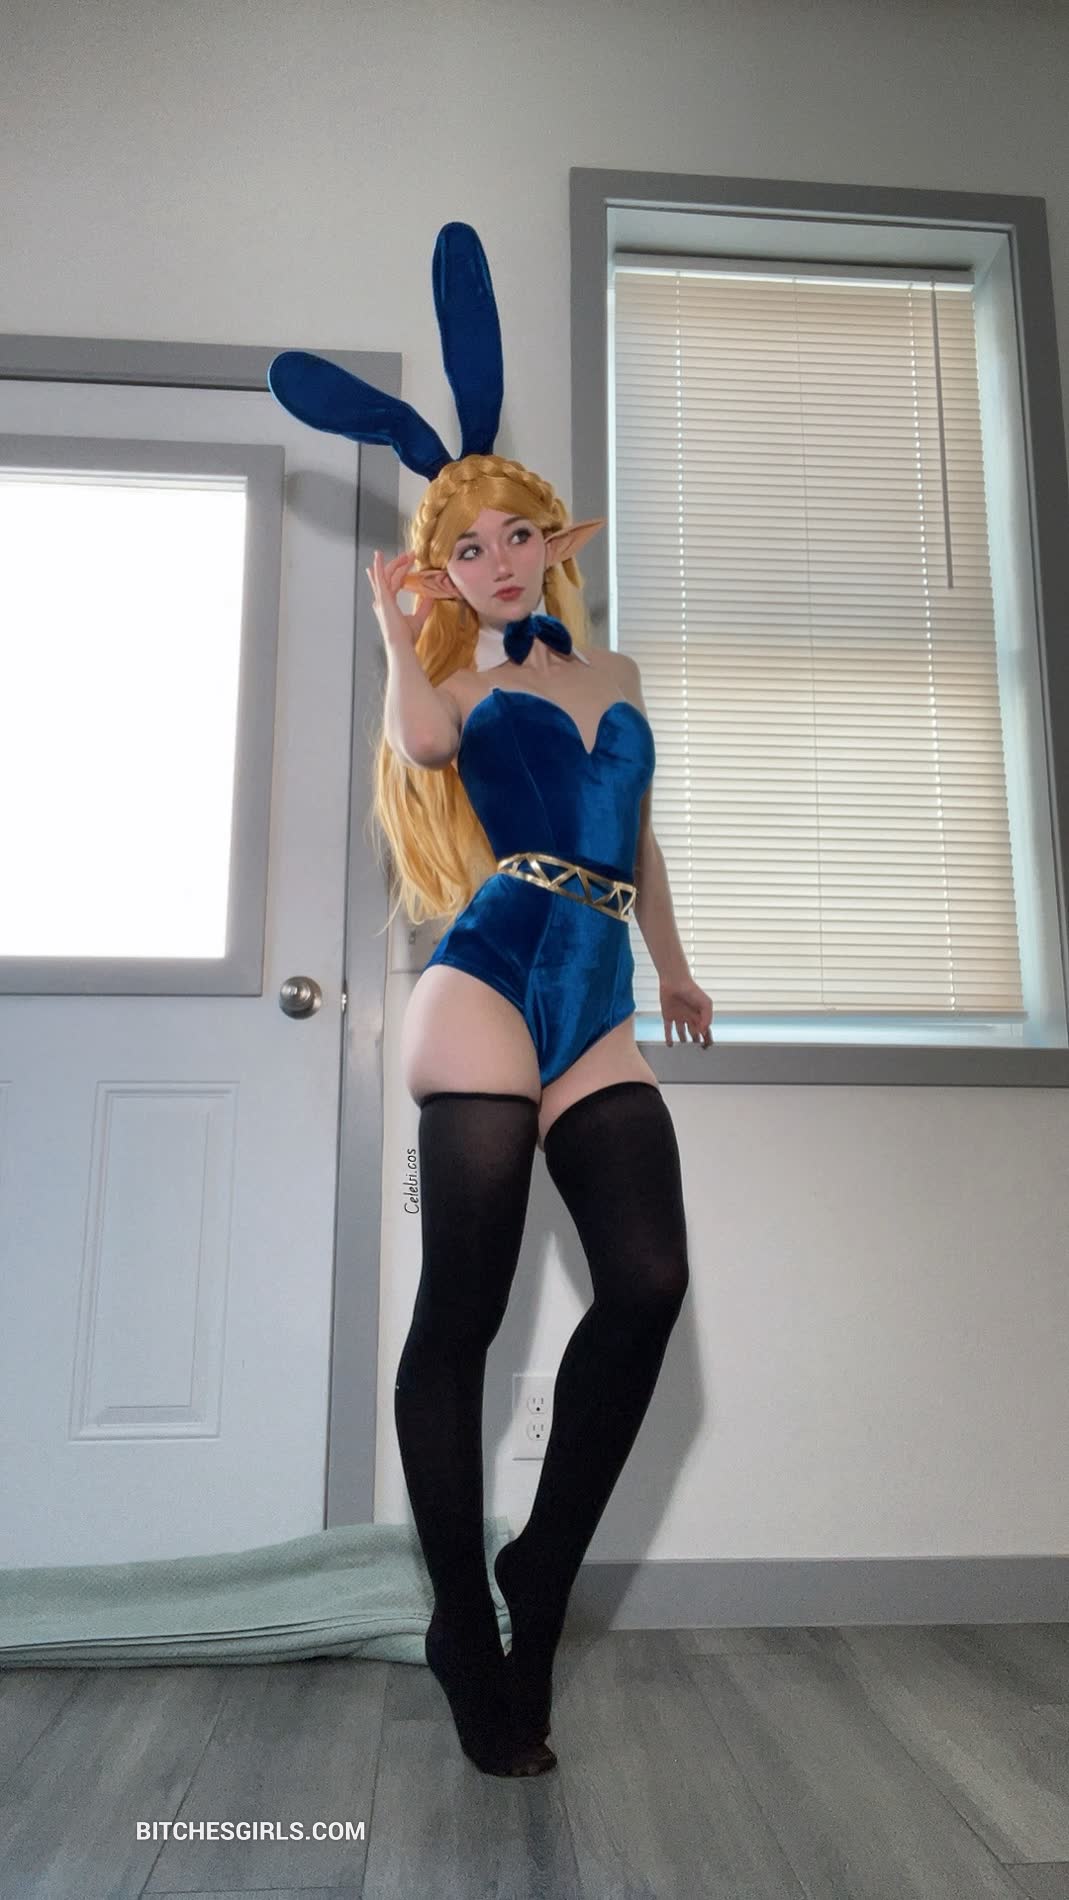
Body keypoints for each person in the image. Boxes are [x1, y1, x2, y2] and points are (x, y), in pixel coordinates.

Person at [267, 223, 714, 1780]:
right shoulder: (460, 682)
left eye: (515, 534)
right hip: (488, 980)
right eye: (469, 550)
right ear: (445, 572)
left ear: (550, 538)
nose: (501, 560)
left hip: (598, 993)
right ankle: (465, 1618)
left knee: (645, 1281)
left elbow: (636, 838)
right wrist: (398, 638)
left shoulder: (619, 675)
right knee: (461, 1315)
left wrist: (672, 963)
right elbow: (423, 745)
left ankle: (539, 1571)